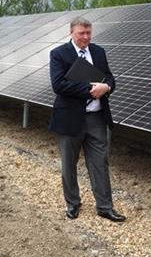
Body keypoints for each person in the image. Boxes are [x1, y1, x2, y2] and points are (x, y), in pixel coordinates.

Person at [49, 17, 126, 222]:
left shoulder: (98, 52)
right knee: (69, 164)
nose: (86, 37)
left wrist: (107, 87)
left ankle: (105, 206)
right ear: (71, 32)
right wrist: (91, 89)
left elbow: (109, 78)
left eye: (88, 33)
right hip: (69, 118)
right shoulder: (58, 54)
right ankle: (73, 203)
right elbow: (58, 85)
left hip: (97, 118)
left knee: (100, 162)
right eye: (81, 33)